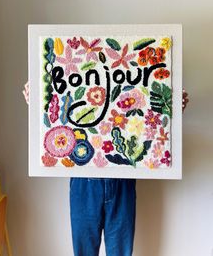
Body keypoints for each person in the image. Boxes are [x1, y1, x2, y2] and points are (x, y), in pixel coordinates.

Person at [23, 82, 189, 256]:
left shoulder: (128, 69)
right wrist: (39, 102)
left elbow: (146, 113)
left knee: (120, 252)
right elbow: (62, 104)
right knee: (84, 252)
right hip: (84, 180)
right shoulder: (79, 64)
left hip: (122, 178)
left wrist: (172, 109)